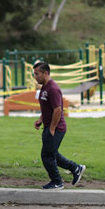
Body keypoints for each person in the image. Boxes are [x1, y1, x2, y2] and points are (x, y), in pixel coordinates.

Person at [33, 61, 86, 190]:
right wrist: (40, 119)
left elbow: (57, 109)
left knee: (47, 156)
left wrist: (52, 128)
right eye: (34, 74)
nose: (35, 77)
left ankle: (57, 182)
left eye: (37, 74)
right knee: (52, 154)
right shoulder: (44, 87)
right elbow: (48, 108)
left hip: (56, 128)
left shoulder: (53, 88)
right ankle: (76, 168)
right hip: (48, 126)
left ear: (46, 73)